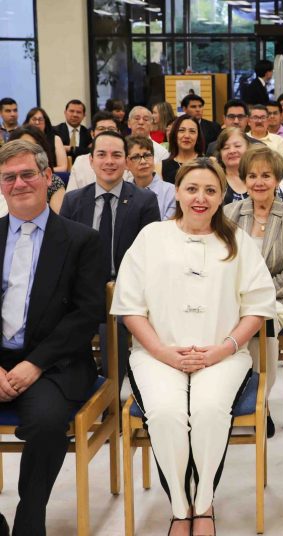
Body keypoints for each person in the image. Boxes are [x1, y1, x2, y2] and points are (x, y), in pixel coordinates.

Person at [111, 157, 276, 536]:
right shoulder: (152, 237)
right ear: (178, 193)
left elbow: (257, 308)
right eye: (192, 189)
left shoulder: (238, 241)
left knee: (208, 411)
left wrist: (223, 349)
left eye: (210, 190)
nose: (200, 198)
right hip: (157, 354)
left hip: (222, 355)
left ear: (222, 197)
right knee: (166, 413)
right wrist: (162, 352)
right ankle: (179, 508)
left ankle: (203, 505)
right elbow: (130, 308)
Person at [0, 140, 105, 535]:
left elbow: (86, 313)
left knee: (46, 423)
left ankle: (29, 521)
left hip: (57, 363)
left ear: (48, 177)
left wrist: (35, 363)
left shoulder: (81, 240)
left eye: (28, 174)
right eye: (9, 177)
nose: (19, 183)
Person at [60, 130, 160, 389]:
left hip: (126, 288)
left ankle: (111, 394)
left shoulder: (144, 201)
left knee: (111, 325)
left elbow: (153, 255)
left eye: (116, 155)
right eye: (102, 155)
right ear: (91, 160)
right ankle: (76, 387)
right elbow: (63, 254)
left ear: (126, 161)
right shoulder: (73, 201)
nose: (109, 161)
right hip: (82, 290)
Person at [224, 146, 283, 436]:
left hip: (277, 299)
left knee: (262, 323)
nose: (259, 182)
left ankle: (261, 402)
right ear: (244, 180)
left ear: (277, 179)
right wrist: (238, 298)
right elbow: (222, 263)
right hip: (232, 296)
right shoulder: (229, 214)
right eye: (252, 176)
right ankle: (229, 397)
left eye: (266, 176)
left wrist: (259, 299)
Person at [67, 111, 134, 192]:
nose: (106, 132)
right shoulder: (80, 161)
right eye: (101, 129)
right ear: (92, 134)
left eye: (111, 129)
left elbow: (132, 193)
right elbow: (71, 195)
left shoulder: (125, 160)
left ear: (119, 133)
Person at [7, 127, 66, 213]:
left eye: (30, 149)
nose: (19, 184)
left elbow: (58, 217)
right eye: (20, 148)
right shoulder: (4, 180)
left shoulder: (53, 181)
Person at [125, 135, 176, 220]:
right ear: (126, 164)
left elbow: (166, 226)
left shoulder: (171, 192)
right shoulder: (123, 192)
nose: (143, 161)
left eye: (147, 155)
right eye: (136, 157)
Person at [162, 114, 205, 184]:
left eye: (192, 131)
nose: (187, 136)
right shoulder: (161, 167)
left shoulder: (208, 164)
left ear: (198, 136)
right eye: (181, 130)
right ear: (175, 134)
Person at [214, 126, 251, 205]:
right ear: (220, 154)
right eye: (226, 148)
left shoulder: (261, 177)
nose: (232, 151)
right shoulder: (215, 180)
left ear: (248, 148)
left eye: (237, 146)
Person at [23, 107, 66, 173]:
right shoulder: (22, 139)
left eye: (40, 120)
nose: (37, 122)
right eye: (34, 119)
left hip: (50, 174)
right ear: (28, 122)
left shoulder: (55, 139)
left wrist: (41, 172)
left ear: (46, 122)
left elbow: (63, 167)